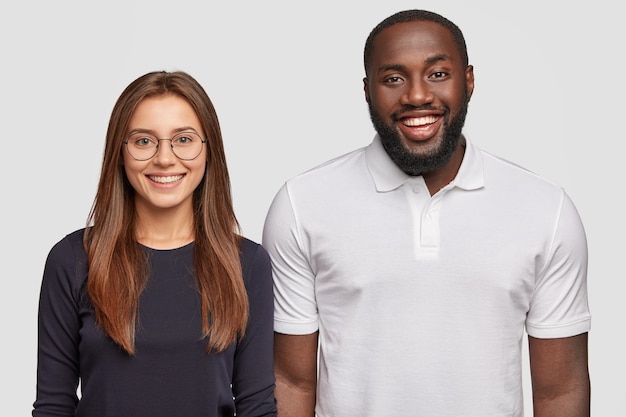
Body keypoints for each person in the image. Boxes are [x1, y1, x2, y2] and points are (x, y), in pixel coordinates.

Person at [262, 9, 590, 417]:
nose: (416, 95)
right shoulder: (301, 205)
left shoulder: (547, 209)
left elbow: (560, 390)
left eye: (437, 74)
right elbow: (291, 380)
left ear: (468, 81)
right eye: (393, 78)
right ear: (367, 90)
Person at [33, 71, 277, 417]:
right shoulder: (73, 259)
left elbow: (257, 407)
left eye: (183, 139)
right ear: (121, 152)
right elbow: (53, 406)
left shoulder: (246, 263)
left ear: (209, 152)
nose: (164, 158)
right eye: (144, 141)